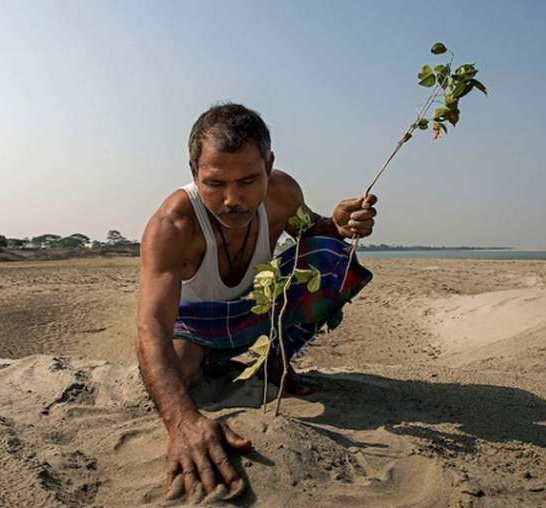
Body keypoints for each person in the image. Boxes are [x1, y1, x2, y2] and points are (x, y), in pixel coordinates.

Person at [136, 103, 377, 501]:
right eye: (215, 184)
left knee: (331, 254)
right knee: (180, 371)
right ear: (194, 169)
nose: (233, 199)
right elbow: (151, 326)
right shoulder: (172, 225)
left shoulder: (282, 193)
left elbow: (310, 229)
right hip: (194, 325)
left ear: (269, 164)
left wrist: (336, 224)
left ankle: (274, 362)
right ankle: (214, 362)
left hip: (257, 312)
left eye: (249, 180)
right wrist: (182, 423)